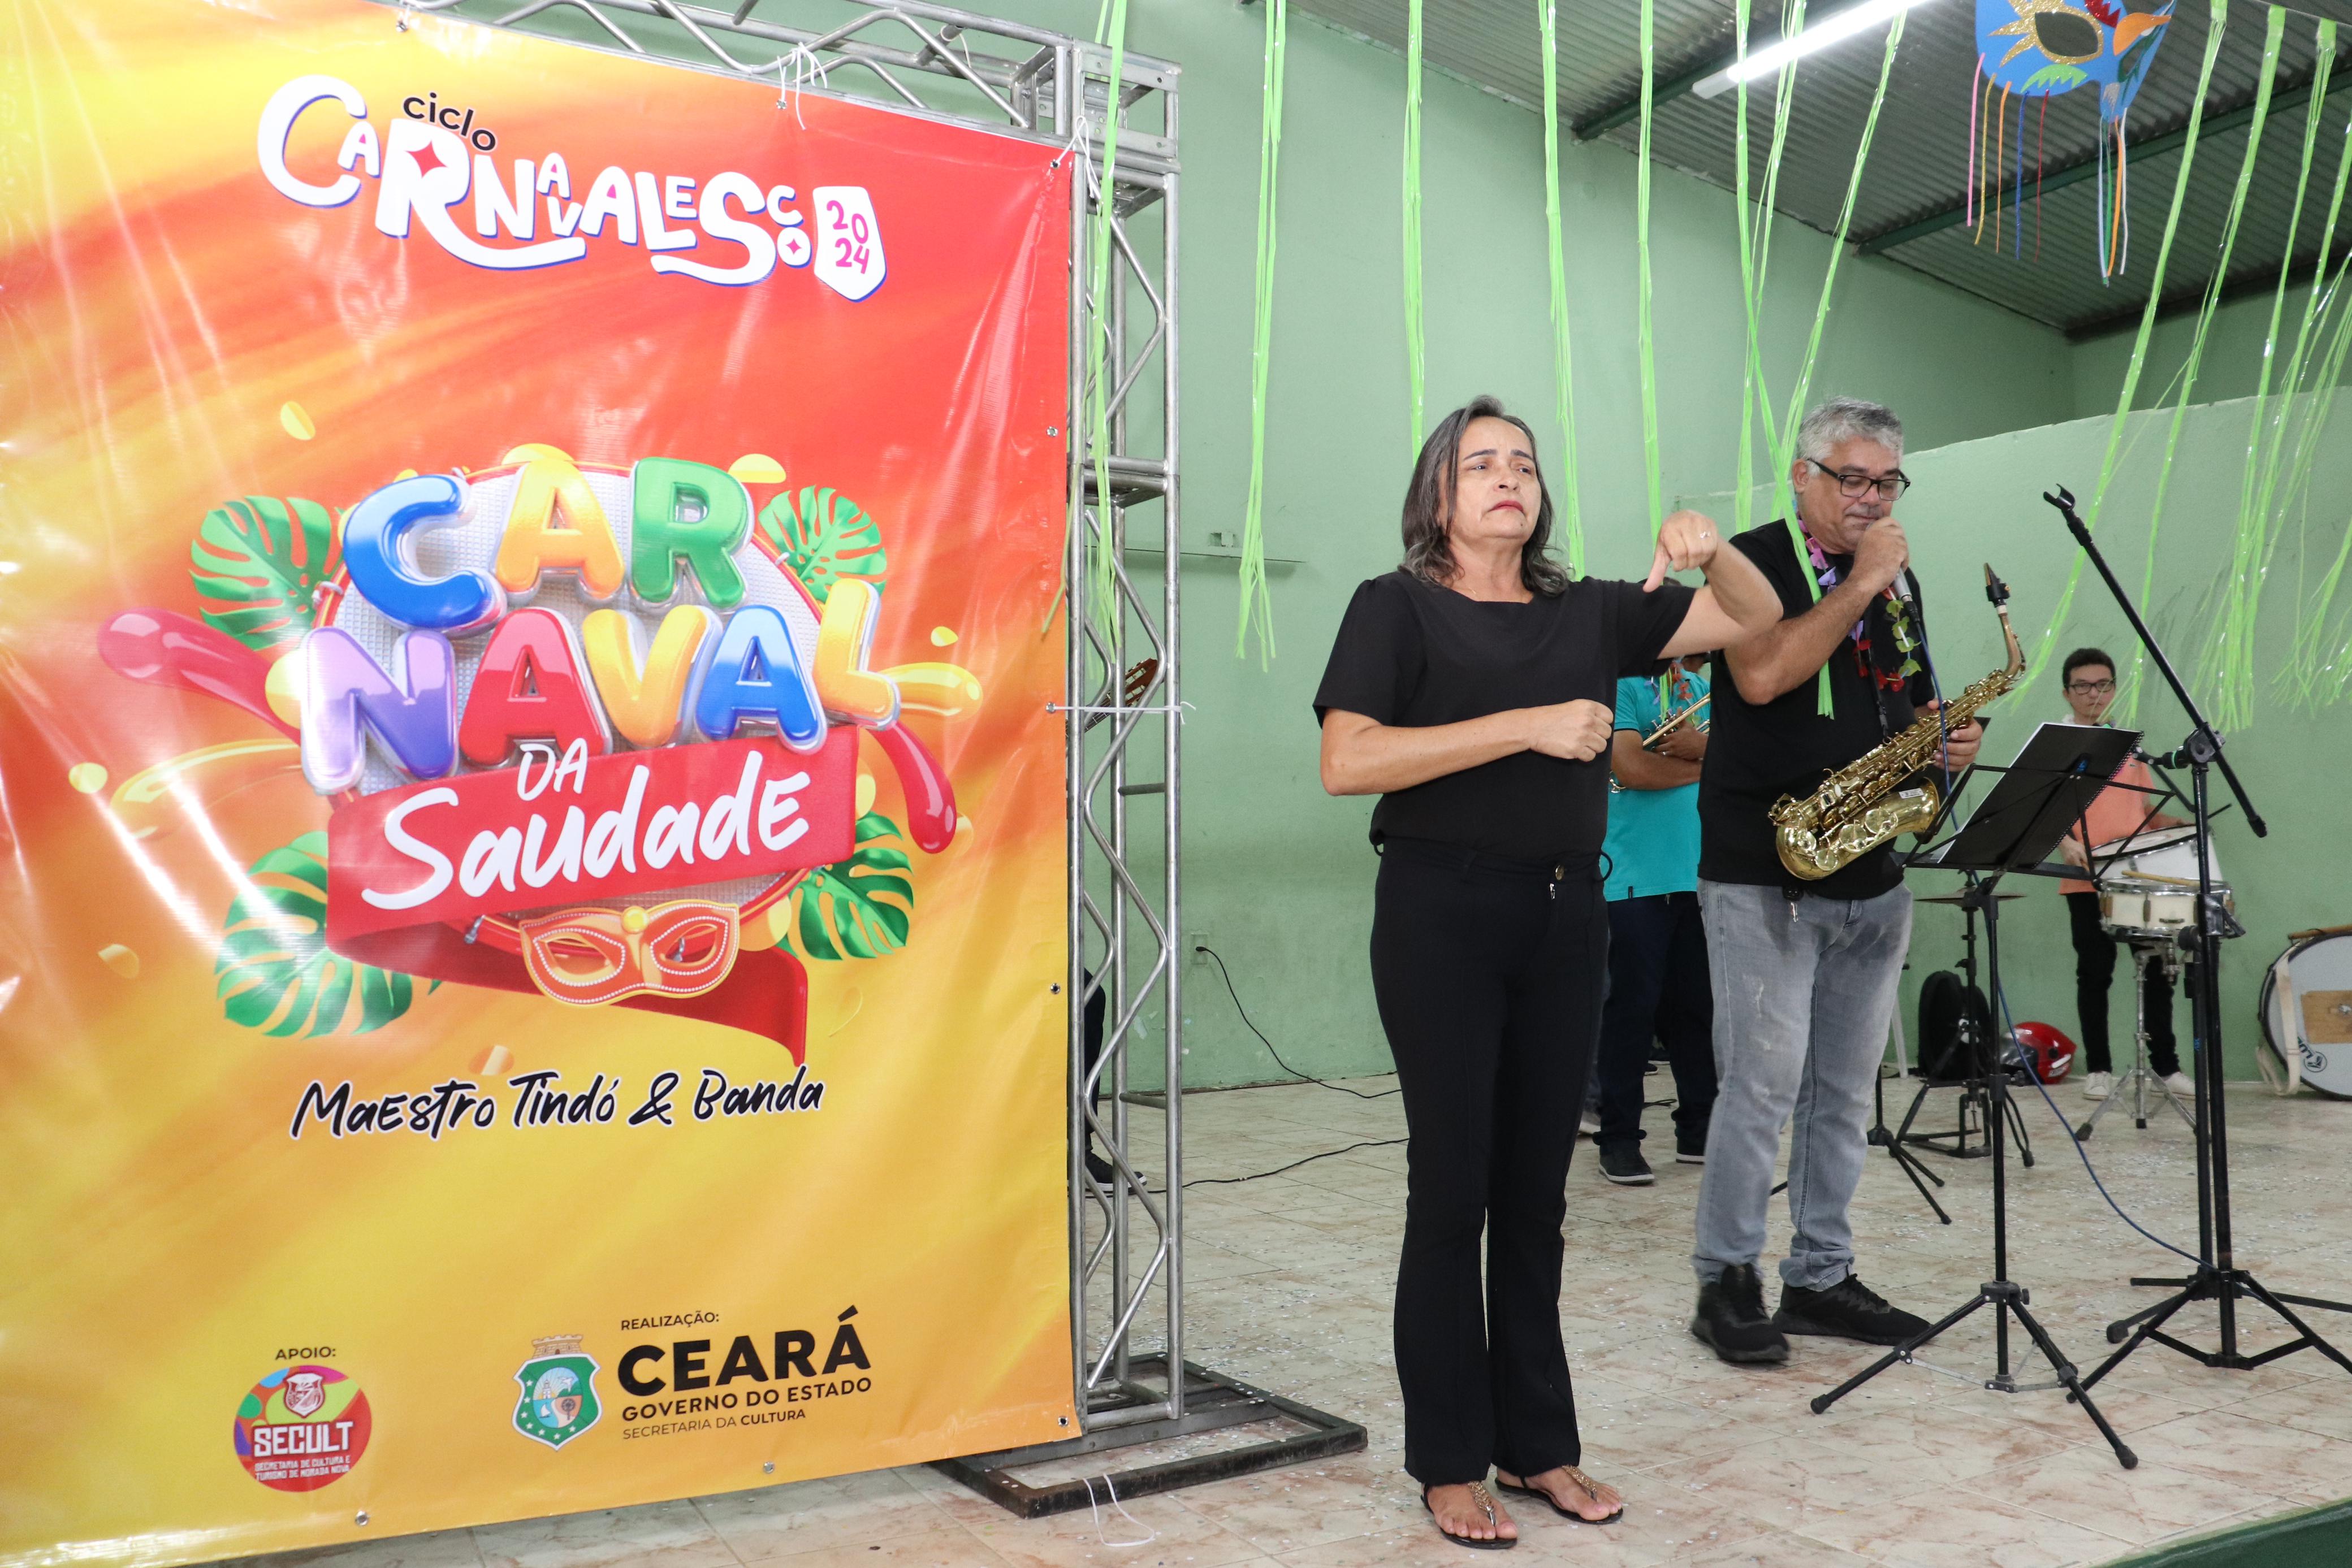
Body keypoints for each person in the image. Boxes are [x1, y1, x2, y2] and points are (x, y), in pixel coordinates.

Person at [1316, 396, 1780, 1548]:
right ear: (1439, 494)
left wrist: (1710, 547)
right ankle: (1447, 1457)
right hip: (1440, 911)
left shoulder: (1592, 611)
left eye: (1522, 463)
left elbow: (1756, 615)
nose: (1507, 478)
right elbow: (1348, 759)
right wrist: (1523, 725)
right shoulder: (1394, 605)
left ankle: (1536, 1443)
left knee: (1536, 1195)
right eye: (1481, 463)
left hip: (1570, 913)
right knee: (1452, 1188)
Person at [1688, 396, 1982, 1367]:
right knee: (1760, 1087)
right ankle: (1727, 1278)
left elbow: (1904, 701)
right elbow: (1764, 676)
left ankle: (1820, 1273)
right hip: (1763, 872)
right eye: (1852, 478)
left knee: (1846, 1093)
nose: (1872, 498)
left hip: (1872, 870)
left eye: (1888, 482)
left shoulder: (1898, 581)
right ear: (1803, 475)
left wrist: (1943, 741)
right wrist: (1861, 581)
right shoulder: (1752, 560)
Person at [1592, 656, 1717, 1186]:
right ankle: (1619, 1139)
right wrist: (1709, 761)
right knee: (1632, 1014)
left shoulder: (1701, 688)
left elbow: (1745, 760)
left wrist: (1703, 751)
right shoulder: (1621, 684)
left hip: (1697, 876)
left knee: (1698, 1013)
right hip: (1633, 879)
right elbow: (1632, 769)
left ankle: (1700, 1130)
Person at [2052, 647, 2190, 1102]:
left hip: (2137, 874)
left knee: (2158, 969)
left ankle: (2166, 1067)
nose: (2094, 694)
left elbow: (2143, 811)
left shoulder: (2130, 746)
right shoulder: (2058, 745)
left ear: (2114, 689)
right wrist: (2067, 844)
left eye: (2103, 685)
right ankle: (2099, 1069)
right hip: (2086, 877)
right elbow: (2044, 814)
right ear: (2067, 693)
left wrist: (2175, 824)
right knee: (2095, 972)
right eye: (2083, 686)